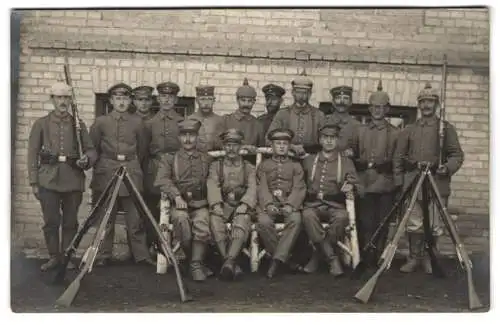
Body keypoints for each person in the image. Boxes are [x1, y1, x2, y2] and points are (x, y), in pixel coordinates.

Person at [393, 82, 464, 274]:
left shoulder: (446, 129)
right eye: (423, 102)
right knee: (414, 223)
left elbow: (456, 155)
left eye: (430, 102)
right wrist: (400, 183)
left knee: (434, 225)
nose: (426, 106)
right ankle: (415, 257)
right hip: (414, 181)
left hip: (436, 182)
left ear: (436, 105)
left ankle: (430, 257)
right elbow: (398, 158)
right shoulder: (408, 130)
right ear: (418, 104)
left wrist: (446, 167)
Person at [28, 82, 98, 271]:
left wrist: (87, 159)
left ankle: (66, 256)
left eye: (66, 97)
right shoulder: (41, 124)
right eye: (59, 97)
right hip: (48, 179)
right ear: (52, 99)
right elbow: (32, 153)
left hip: (73, 179)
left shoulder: (78, 124)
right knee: (51, 221)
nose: (63, 101)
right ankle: (53, 257)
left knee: (70, 221)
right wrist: (34, 181)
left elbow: (91, 150)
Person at [89, 83, 154, 267]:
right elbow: (93, 147)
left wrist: (131, 164)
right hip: (107, 172)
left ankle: (140, 255)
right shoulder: (101, 122)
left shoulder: (137, 123)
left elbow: (142, 150)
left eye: (125, 98)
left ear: (129, 100)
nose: (122, 102)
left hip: (131, 171)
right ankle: (102, 254)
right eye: (118, 99)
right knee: (106, 217)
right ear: (111, 101)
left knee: (134, 219)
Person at [154, 119, 213, 281]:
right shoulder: (169, 158)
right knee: (181, 220)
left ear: (197, 137)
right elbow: (162, 180)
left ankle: (194, 264)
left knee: (202, 221)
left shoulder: (205, 158)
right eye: (184, 135)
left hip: (200, 203)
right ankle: (191, 259)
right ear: (179, 138)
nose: (188, 139)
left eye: (192, 135)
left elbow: (213, 180)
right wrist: (176, 195)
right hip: (177, 204)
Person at [301, 124, 361, 276]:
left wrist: (350, 185)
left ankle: (318, 256)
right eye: (325, 138)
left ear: (337, 140)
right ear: (320, 140)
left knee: (342, 218)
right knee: (307, 216)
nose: (329, 141)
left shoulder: (346, 161)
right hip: (313, 204)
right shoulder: (309, 160)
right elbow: (300, 183)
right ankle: (332, 258)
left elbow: (354, 181)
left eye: (332, 138)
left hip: (335, 205)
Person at [351, 81, 400, 267]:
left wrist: (396, 182)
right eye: (374, 107)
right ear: (369, 109)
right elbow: (352, 154)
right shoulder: (360, 131)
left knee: (383, 221)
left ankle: (378, 255)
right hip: (365, 182)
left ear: (387, 109)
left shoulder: (395, 133)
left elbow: (398, 160)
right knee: (365, 220)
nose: (378, 111)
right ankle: (365, 254)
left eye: (381, 107)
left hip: (385, 183)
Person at [255, 128, 306, 278]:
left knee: (296, 220)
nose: (282, 146)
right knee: (263, 222)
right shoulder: (264, 166)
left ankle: (276, 261)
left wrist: (290, 205)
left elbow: (299, 187)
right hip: (269, 205)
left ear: (289, 146)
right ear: (272, 146)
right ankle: (285, 260)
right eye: (278, 143)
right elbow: (261, 187)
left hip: (289, 205)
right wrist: (268, 204)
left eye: (285, 143)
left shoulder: (296, 166)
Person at [207, 129, 257, 280]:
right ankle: (230, 263)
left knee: (242, 220)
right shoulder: (216, 166)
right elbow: (212, 184)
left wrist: (245, 205)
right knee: (215, 221)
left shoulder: (248, 167)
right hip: (223, 205)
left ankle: (228, 262)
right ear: (223, 147)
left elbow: (253, 187)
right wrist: (216, 204)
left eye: (235, 145)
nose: (231, 149)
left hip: (240, 206)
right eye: (228, 145)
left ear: (240, 147)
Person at [142, 82, 184, 253]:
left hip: (175, 171)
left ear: (176, 99)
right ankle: (153, 247)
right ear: (158, 99)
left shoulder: (182, 122)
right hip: (154, 170)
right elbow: (143, 151)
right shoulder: (149, 123)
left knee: (174, 208)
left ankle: (173, 247)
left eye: (170, 97)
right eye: (163, 97)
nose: (167, 100)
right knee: (152, 209)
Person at [265, 70, 325, 156]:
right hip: (287, 159)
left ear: (310, 94)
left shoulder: (319, 115)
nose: (301, 96)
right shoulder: (282, 114)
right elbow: (268, 139)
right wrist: (291, 146)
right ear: (293, 92)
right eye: (298, 92)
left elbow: (325, 141)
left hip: (312, 159)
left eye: (305, 93)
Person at [222, 78, 264, 152]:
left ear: (254, 102)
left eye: (249, 101)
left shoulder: (258, 125)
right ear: (237, 100)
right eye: (243, 100)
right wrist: (241, 147)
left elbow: (261, 149)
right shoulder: (226, 120)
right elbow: (218, 144)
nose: (246, 104)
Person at [325, 85, 361, 155]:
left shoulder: (357, 126)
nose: (341, 102)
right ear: (332, 101)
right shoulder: (324, 122)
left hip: (348, 164)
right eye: (338, 98)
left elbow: (361, 151)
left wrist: (353, 153)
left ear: (350, 102)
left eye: (346, 98)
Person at [188, 85, 225, 152]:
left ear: (214, 100)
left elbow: (223, 145)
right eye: (202, 99)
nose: (206, 103)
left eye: (209, 99)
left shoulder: (220, 120)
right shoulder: (189, 120)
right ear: (197, 100)